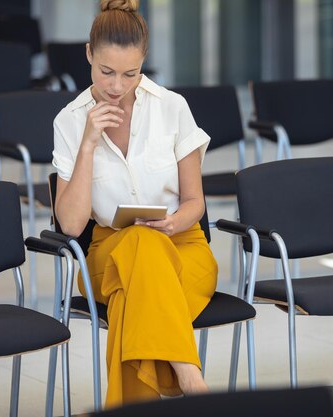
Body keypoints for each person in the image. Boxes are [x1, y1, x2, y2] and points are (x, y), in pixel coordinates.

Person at [51, 0, 217, 409]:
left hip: (183, 246)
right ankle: (189, 376)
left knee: (131, 300)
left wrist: (175, 223)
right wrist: (88, 146)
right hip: (110, 253)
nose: (117, 86)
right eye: (106, 72)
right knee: (140, 245)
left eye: (131, 73)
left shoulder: (171, 108)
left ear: (144, 62)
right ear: (89, 55)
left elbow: (195, 202)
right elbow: (71, 226)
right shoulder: (69, 122)